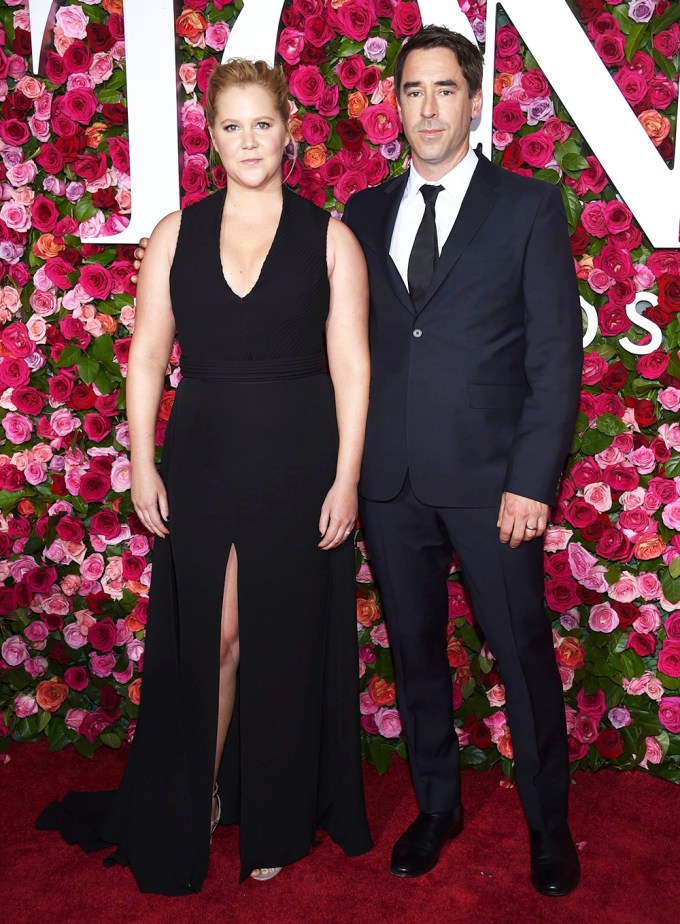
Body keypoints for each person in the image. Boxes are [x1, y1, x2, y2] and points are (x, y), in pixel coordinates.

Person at [37, 59, 372, 892]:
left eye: (263, 123)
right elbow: (147, 355)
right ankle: (201, 798)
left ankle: (276, 816)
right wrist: (142, 461)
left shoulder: (331, 237)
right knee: (216, 641)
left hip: (301, 460)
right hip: (205, 456)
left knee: (283, 646)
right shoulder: (175, 232)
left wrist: (347, 479)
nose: (248, 140)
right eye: (232, 126)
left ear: (289, 130)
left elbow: (355, 368)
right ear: (210, 136)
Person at [342, 27, 583, 897]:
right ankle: (436, 805)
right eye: (414, 91)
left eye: (446, 89)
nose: (429, 106)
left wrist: (531, 480)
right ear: (395, 105)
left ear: (475, 101)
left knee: (520, 655)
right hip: (391, 483)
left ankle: (549, 826)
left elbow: (556, 357)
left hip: (494, 488)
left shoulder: (525, 207)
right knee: (416, 659)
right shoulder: (362, 214)